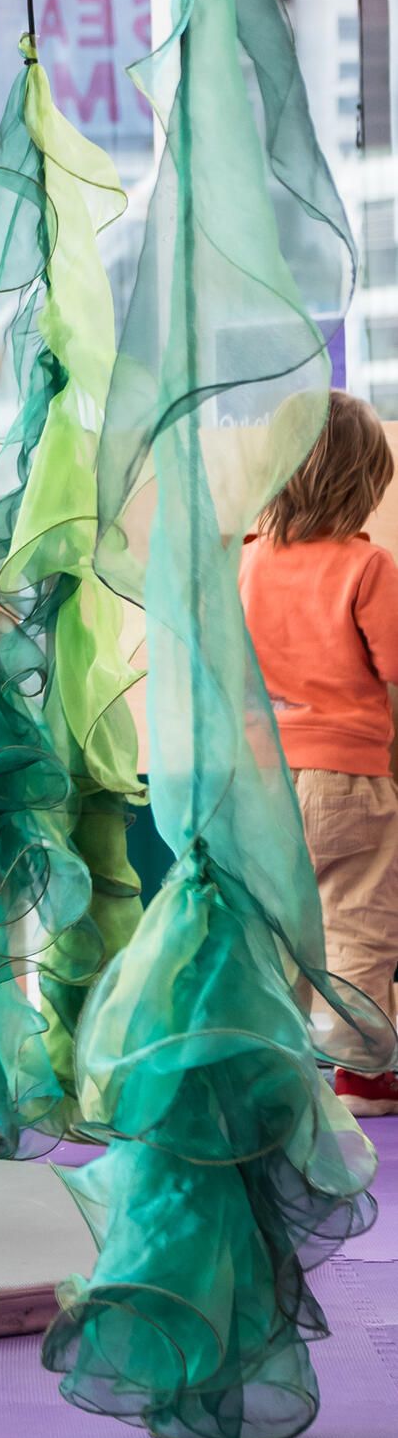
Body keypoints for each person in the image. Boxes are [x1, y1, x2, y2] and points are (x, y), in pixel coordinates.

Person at [239, 387, 398, 1107]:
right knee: (357, 926)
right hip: (347, 778)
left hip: (261, 779)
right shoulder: (369, 570)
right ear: (367, 484)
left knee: (274, 930)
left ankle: (273, 1068)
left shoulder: (249, 562)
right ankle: (361, 1074)